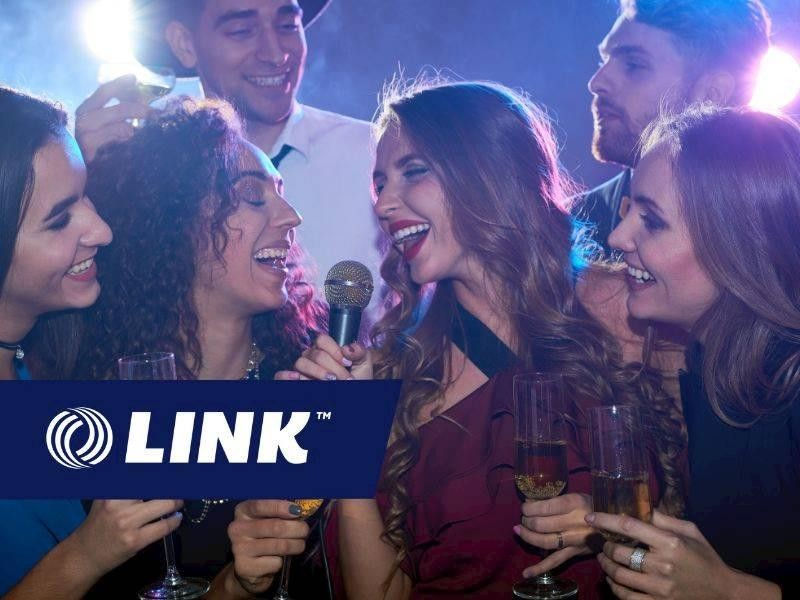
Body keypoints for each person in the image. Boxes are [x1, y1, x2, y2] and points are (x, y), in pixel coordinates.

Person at [279, 80, 686, 599]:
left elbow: (694, 520)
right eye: (380, 184)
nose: (383, 204)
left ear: (488, 170)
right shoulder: (395, 371)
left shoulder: (630, 310)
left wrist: (610, 527)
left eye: (413, 172)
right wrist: (347, 445)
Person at [73, 97, 325, 598]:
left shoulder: (306, 380)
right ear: (177, 221)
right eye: (252, 196)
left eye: (281, 194)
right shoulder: (97, 397)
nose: (291, 216)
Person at [591, 105, 800, 599]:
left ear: (737, 243)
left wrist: (730, 592)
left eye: (652, 220)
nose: (617, 237)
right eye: (628, 210)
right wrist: (607, 525)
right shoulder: (716, 367)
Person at [0, 86, 189, 599]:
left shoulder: (33, 374)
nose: (101, 231)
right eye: (60, 219)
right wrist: (87, 554)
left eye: (87, 196)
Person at [76, 0, 381, 293]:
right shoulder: (155, 180)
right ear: (185, 44)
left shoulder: (374, 156)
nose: (275, 54)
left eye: (288, 25)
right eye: (242, 31)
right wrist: (97, 189)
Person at [575, 0, 771, 253]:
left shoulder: (781, 241)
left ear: (711, 95)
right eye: (604, 60)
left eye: (634, 65)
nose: (597, 82)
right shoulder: (567, 229)